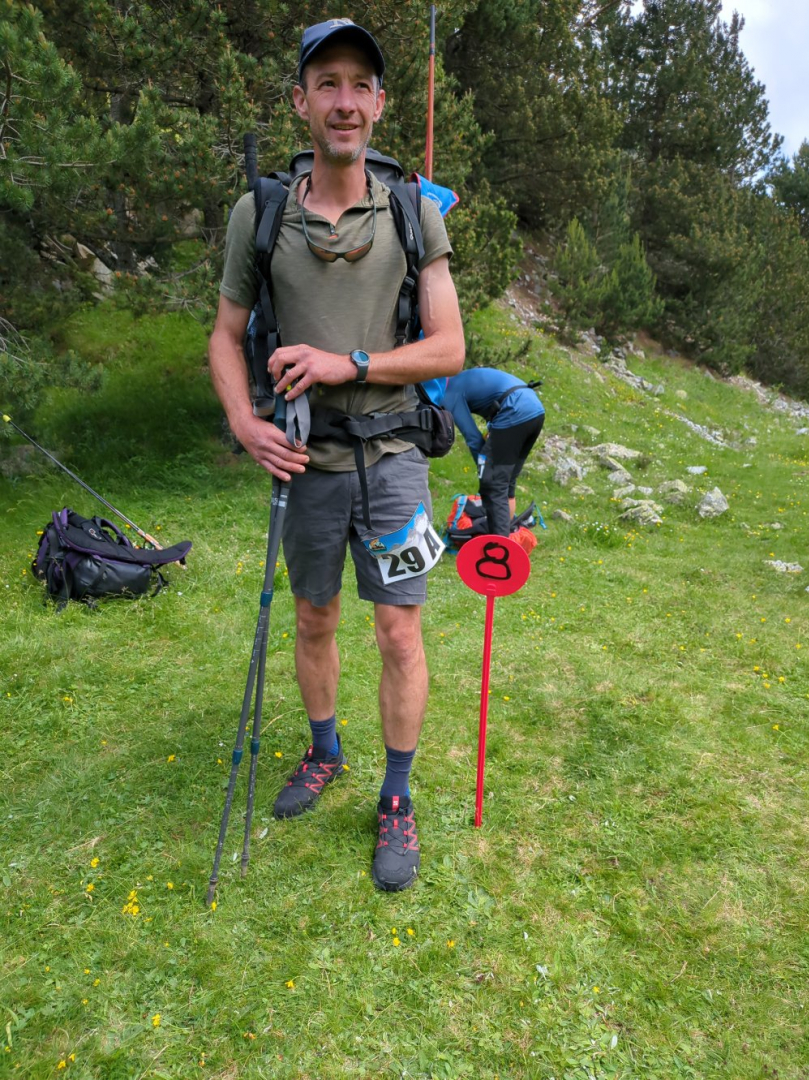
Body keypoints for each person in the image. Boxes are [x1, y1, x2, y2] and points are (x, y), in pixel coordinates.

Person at [208, 19, 464, 892]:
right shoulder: (260, 214)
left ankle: (396, 795)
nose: (344, 101)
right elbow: (224, 334)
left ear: (380, 103)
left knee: (398, 629)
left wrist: (347, 363)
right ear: (301, 102)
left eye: (360, 85)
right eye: (327, 83)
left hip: (393, 459)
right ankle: (324, 751)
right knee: (313, 617)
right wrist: (244, 423)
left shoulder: (414, 212)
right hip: (303, 461)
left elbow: (448, 347)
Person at [444, 368, 545, 536]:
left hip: (515, 409)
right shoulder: (461, 379)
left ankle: (499, 545)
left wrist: (485, 468)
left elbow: (473, 438)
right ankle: (507, 536)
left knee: (493, 483)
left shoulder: (448, 393)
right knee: (507, 481)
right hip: (535, 409)